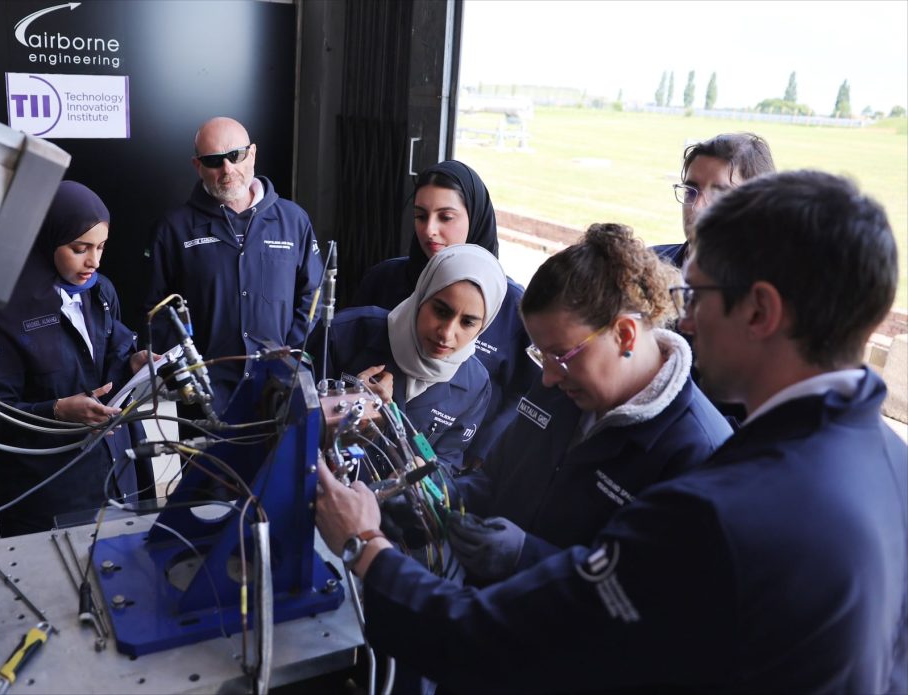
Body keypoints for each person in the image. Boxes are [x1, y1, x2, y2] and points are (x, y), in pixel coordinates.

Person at [315, 170, 907, 692]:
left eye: (695, 294)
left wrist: (367, 547)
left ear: (760, 311)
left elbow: (499, 639)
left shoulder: (720, 504)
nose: (684, 320)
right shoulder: (888, 464)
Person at [445, 223, 732, 583]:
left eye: (560, 355)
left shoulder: (697, 454)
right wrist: (439, 499)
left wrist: (527, 558)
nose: (547, 377)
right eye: (540, 355)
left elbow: (650, 592)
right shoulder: (562, 384)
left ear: (624, 334)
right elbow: (495, 479)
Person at [0, 181, 154, 538]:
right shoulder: (2, 310)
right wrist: (56, 411)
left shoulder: (100, 291)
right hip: (50, 495)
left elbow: (108, 365)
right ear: (47, 239)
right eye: (79, 249)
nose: (94, 261)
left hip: (117, 475)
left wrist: (134, 365)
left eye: (101, 247)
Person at [349, 160, 537, 469]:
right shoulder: (384, 280)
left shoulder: (513, 306)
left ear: (475, 217)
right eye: (420, 216)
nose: (429, 230)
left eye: (446, 217)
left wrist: (481, 455)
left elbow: (525, 391)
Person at [145, 116, 323, 414]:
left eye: (235, 155)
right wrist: (186, 372)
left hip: (280, 390)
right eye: (214, 160)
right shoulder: (173, 229)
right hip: (207, 398)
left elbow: (314, 296)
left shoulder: (293, 220)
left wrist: (287, 355)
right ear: (197, 165)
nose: (227, 169)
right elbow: (157, 311)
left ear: (252, 154)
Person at [317, 244, 507, 477]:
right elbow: (292, 417)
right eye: (441, 311)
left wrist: (425, 476)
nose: (446, 334)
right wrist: (348, 402)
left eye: (467, 322)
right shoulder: (346, 333)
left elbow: (448, 461)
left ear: (483, 326)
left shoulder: (474, 386)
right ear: (422, 295)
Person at [653, 132, 775, 268]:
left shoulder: (774, 277)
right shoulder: (647, 267)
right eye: (690, 191)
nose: (697, 206)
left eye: (718, 195)